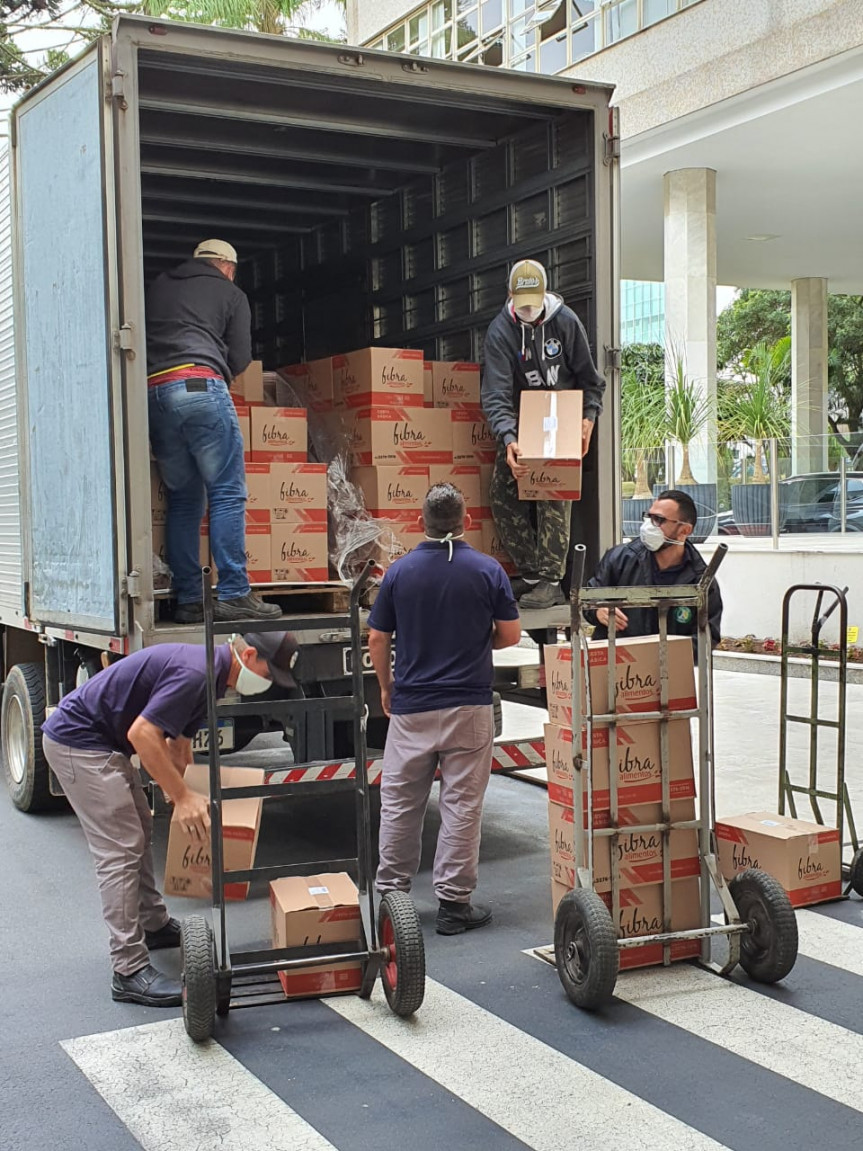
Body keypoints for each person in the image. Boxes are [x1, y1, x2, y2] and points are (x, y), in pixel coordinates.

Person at [41, 631, 299, 1006]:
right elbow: (142, 734)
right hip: (78, 744)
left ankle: (153, 925)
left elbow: (177, 744)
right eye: (268, 671)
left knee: (141, 828)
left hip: (101, 743)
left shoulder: (210, 676)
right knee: (121, 849)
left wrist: (188, 789)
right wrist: (180, 795)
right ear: (247, 653)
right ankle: (127, 970)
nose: (268, 682)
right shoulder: (196, 673)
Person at [368, 483, 522, 935]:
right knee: (462, 806)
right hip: (468, 706)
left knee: (399, 802)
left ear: (422, 523)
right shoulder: (487, 570)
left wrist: (386, 686)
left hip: (412, 706)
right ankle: (454, 905)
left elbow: (378, 637)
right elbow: (510, 635)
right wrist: (476, 644)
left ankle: (391, 900)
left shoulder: (399, 572)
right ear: (466, 520)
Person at [146, 238, 281, 624]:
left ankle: (188, 598)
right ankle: (236, 592)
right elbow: (240, 357)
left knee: (185, 500)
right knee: (226, 491)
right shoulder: (231, 294)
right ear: (227, 267)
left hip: (154, 393)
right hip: (200, 387)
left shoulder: (159, 285)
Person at [482, 258, 606, 610]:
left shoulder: (565, 322)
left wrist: (588, 419)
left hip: (563, 414)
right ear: (510, 295)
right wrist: (509, 439)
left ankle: (552, 581)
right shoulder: (500, 332)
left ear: (545, 294)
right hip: (525, 419)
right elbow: (496, 393)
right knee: (503, 495)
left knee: (554, 492)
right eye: (522, 306)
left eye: (534, 306)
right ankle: (532, 575)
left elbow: (591, 379)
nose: (529, 313)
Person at [585, 490, 723, 650]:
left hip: (669, 671)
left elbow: (707, 637)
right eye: (649, 517)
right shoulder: (620, 559)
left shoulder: (700, 579)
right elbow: (589, 598)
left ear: (684, 530)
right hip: (616, 666)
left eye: (659, 520)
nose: (649, 526)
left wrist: (659, 653)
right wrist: (598, 610)